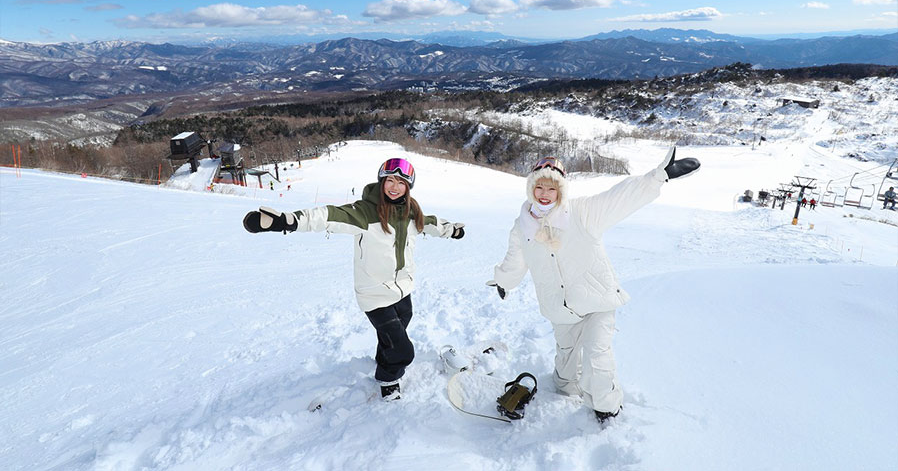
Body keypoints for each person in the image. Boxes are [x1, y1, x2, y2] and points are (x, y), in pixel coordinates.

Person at [490, 148, 700, 424]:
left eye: (551, 188)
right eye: (539, 186)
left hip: (597, 301)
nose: (544, 193)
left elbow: (620, 198)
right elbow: (514, 261)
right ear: (531, 188)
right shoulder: (522, 227)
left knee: (597, 357)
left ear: (560, 191)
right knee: (565, 372)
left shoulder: (582, 212)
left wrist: (658, 177)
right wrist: (504, 281)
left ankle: (607, 410)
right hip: (559, 310)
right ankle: (565, 388)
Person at [242, 157, 465, 400]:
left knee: (391, 338)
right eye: (389, 180)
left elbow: (431, 223)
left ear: (408, 187)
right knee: (403, 350)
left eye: (401, 182)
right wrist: (287, 221)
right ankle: (387, 379)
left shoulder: (411, 214)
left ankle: (384, 364)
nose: (394, 186)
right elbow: (328, 215)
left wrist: (451, 230)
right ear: (381, 182)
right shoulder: (365, 213)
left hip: (403, 290)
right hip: (374, 295)